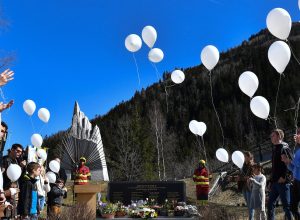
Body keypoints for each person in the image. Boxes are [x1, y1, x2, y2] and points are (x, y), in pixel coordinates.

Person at [267, 129, 292, 220]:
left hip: (283, 182)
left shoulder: (284, 148)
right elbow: (274, 167)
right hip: (274, 183)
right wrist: (270, 180)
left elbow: (290, 163)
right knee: (270, 205)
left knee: (286, 207)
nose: (271, 138)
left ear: (279, 136)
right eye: (271, 136)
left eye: (273, 135)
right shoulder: (275, 149)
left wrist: (284, 177)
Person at [281, 130, 300, 220]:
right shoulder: (297, 150)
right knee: (293, 207)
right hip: (296, 181)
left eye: (298, 134)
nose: (296, 136)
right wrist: (287, 162)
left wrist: (291, 161)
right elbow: (293, 168)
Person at [237, 151, 254, 219]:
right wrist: (237, 177)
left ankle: (251, 218)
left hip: (249, 186)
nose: (243, 158)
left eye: (245, 156)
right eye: (243, 156)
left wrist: (243, 178)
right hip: (243, 186)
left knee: (250, 205)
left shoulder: (252, 165)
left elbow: (252, 176)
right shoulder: (242, 165)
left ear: (249, 157)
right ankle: (251, 217)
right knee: (248, 204)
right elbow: (241, 175)